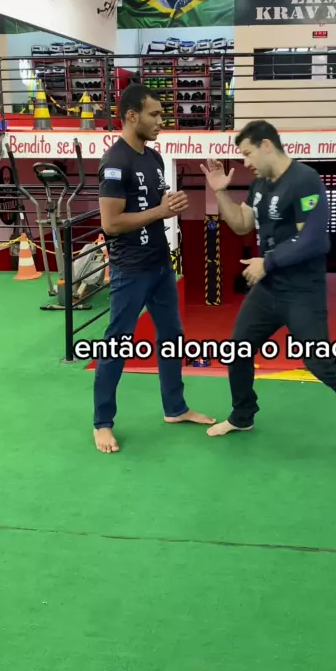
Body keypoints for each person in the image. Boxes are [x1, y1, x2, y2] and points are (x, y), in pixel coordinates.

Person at [200, 120, 336, 462]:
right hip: (268, 289)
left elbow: (314, 240)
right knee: (237, 350)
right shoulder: (259, 185)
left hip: (302, 290)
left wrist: (267, 262)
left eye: (248, 154)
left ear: (267, 145)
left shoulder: (305, 180)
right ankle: (242, 416)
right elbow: (241, 224)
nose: (245, 162)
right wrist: (220, 192)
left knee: (320, 363)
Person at [93, 83, 215, 453]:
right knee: (117, 342)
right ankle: (102, 423)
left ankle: (175, 408)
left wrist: (169, 202)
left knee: (171, 336)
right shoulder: (115, 163)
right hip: (131, 269)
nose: (162, 120)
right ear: (132, 116)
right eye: (155, 114)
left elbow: (154, 201)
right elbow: (111, 223)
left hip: (160, 263)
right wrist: (161, 211)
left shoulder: (154, 157)